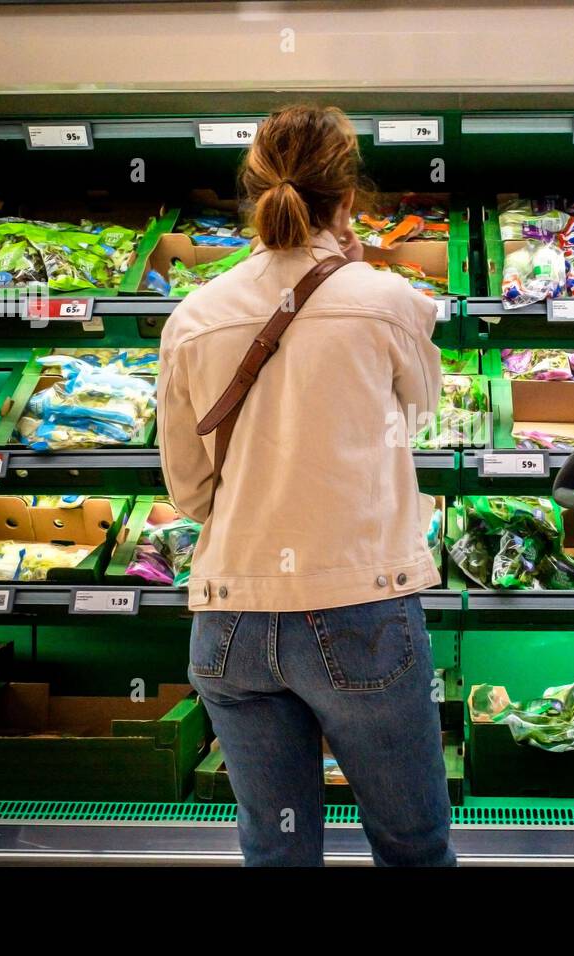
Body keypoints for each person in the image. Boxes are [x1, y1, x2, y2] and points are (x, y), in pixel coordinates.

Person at [157, 104, 454, 867]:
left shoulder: (193, 315)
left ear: (252, 193)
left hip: (231, 619)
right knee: (411, 844)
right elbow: (421, 422)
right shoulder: (390, 302)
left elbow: (189, 489)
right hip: (361, 607)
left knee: (278, 853)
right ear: (347, 198)